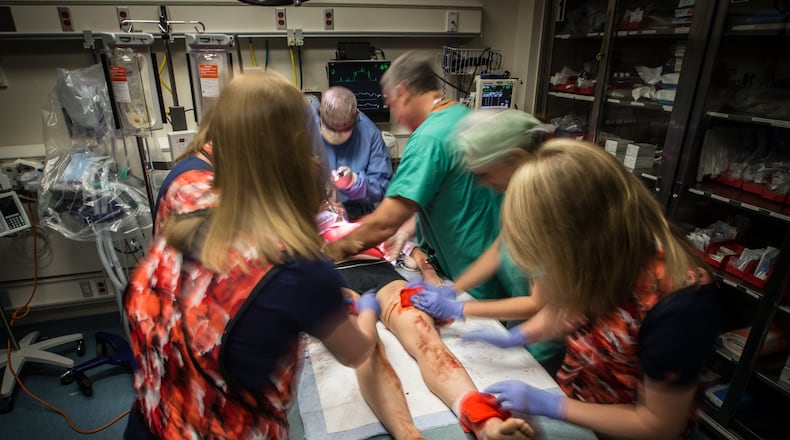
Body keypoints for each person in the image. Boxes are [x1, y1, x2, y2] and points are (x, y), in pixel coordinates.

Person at [122, 71, 381, 440]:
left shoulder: (183, 201)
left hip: (153, 421)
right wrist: (369, 310)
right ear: (298, 148)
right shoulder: (299, 265)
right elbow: (356, 352)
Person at [457, 139, 723, 439]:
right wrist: (517, 336)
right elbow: (567, 308)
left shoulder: (681, 305)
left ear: (580, 235)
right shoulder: (599, 259)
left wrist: (555, 406)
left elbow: (658, 424)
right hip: (585, 415)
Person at [317, 208, 534, 440]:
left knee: (424, 332)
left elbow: (415, 251)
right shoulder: (305, 232)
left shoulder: (368, 226)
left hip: (382, 273)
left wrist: (429, 273)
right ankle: (408, 435)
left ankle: (486, 422)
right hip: (334, 275)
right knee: (367, 347)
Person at [323, 50, 519, 301]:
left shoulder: (428, 138)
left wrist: (330, 251)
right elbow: (453, 201)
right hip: (494, 268)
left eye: (391, 104)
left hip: (476, 279)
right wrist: (407, 230)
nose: (397, 116)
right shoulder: (460, 116)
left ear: (403, 91)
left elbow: (384, 223)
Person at [410, 109, 565, 376]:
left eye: (485, 173)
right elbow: (499, 248)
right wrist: (455, 289)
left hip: (546, 340)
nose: (482, 183)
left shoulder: (547, 208)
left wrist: (459, 308)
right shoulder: (516, 195)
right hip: (522, 327)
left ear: (516, 158)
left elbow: (537, 302)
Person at [317, 86, 393, 220]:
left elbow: (382, 186)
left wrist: (354, 182)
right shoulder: (304, 123)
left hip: (355, 215)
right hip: (310, 213)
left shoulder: (369, 134)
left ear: (356, 117)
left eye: (343, 130)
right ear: (319, 113)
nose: (336, 135)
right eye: (331, 129)